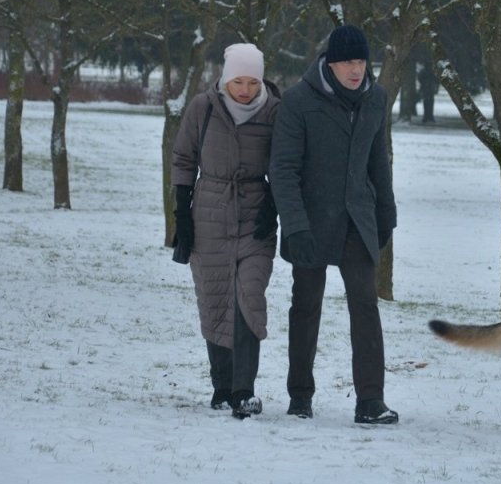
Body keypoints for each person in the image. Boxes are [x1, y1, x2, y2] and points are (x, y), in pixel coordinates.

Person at [269, 24, 399, 424]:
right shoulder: (297, 101)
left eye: (360, 60)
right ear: (330, 62)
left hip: (356, 220)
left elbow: (378, 159)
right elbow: (283, 169)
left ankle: (370, 401)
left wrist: (386, 213)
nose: (355, 69)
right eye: (347, 62)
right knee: (306, 305)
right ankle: (300, 395)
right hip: (309, 221)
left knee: (365, 304)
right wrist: (295, 226)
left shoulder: (375, 98)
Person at [171, 43, 280, 420]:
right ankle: (221, 386)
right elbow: (183, 159)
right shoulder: (203, 108)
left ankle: (243, 391)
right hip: (209, 212)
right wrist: (181, 216)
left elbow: (284, 163)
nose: (246, 89)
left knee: (249, 294)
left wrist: (273, 205)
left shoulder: (274, 111)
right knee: (216, 298)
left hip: (255, 215)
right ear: (225, 79)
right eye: (238, 81)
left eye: (253, 81)